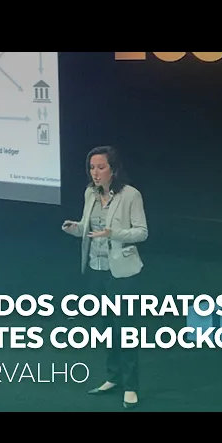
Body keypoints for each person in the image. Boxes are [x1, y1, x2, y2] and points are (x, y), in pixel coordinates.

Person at [62, 145, 148, 409]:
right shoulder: (90, 192)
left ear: (114, 169)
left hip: (121, 273)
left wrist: (114, 233)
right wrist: (75, 228)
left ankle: (131, 386)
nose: (95, 173)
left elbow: (142, 232)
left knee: (125, 330)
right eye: (92, 167)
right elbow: (89, 228)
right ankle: (113, 378)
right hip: (96, 269)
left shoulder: (130, 195)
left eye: (101, 167)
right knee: (106, 328)